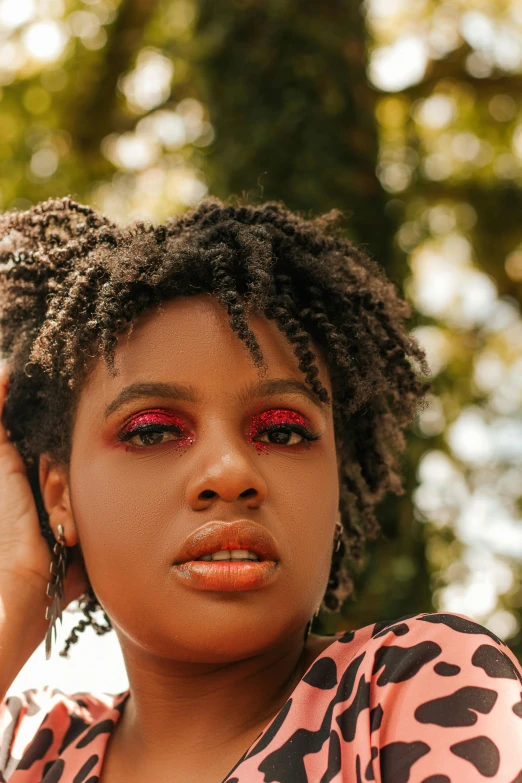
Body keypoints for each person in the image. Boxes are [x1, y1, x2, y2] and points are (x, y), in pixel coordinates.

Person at [0, 196, 520, 783]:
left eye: (282, 431)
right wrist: (15, 593)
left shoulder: (411, 689)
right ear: (59, 495)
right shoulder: (31, 749)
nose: (230, 472)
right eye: (152, 431)